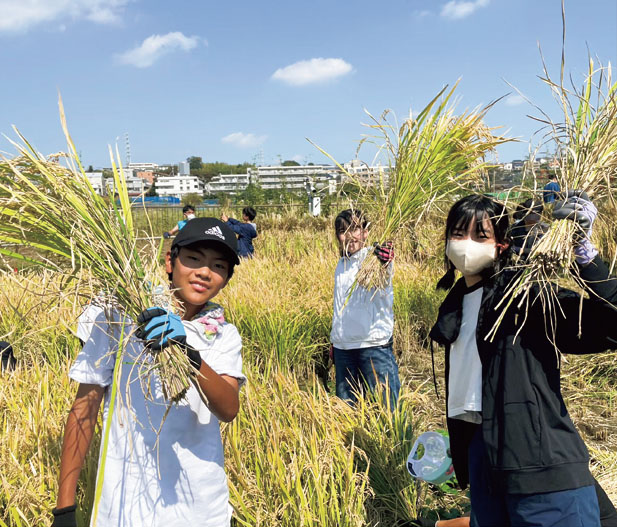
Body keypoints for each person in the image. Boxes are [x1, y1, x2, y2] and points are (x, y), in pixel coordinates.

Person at [428, 192, 617, 526]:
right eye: (457, 233)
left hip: (540, 468)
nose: (465, 243)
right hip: (485, 464)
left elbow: (613, 324)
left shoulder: (527, 299)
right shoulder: (454, 309)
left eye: (480, 235)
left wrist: (585, 257)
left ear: (503, 243)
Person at [52, 217, 245, 526]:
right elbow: (83, 410)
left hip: (200, 508)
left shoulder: (223, 335)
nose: (204, 272)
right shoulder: (122, 317)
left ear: (226, 278)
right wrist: (65, 509)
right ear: (170, 260)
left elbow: (228, 408)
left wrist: (187, 352)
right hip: (125, 506)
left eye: (219, 266)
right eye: (193, 259)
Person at [330, 209, 400, 408]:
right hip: (344, 348)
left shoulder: (373, 259)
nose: (349, 235)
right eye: (343, 231)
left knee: (389, 410)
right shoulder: (341, 264)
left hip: (373, 345)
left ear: (366, 232)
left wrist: (385, 261)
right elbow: (339, 305)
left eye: (355, 229)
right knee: (347, 411)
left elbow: (385, 273)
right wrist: (334, 340)